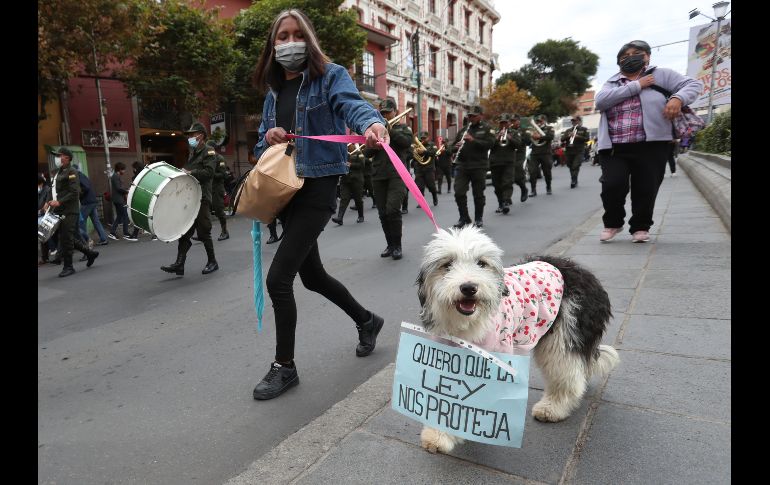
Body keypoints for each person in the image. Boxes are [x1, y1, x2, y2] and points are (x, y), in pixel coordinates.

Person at [250, 9, 389, 400]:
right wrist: (269, 137)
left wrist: (371, 124)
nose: (289, 42)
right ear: (273, 44)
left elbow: (352, 105)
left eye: (297, 35)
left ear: (308, 39)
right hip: (286, 191)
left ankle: (285, 367)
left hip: (318, 188)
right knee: (312, 277)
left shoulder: (330, 76)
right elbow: (260, 145)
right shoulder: (273, 92)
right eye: (282, 36)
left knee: (278, 279)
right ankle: (367, 320)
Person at [595, 39, 702, 243]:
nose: (630, 58)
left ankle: (640, 227)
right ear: (618, 62)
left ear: (648, 56)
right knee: (612, 185)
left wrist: (677, 98)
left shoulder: (662, 75)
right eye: (624, 56)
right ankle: (613, 223)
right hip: (614, 146)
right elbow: (601, 101)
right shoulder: (612, 82)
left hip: (652, 144)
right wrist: (637, 85)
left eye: (637, 53)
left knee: (646, 187)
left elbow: (694, 84)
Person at [160, 122, 219, 275]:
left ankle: (212, 261)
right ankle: (179, 264)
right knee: (185, 232)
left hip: (202, 197)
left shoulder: (209, 151)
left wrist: (190, 173)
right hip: (191, 197)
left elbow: (209, 173)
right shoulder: (193, 152)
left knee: (204, 231)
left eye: (193, 134)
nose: (191, 137)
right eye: (190, 135)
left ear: (201, 135)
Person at [364, 97, 412, 260]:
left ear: (395, 112)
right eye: (382, 113)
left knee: (393, 210)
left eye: (387, 113)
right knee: (383, 213)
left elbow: (406, 143)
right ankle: (390, 245)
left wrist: (390, 130)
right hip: (379, 175)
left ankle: (397, 246)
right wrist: (373, 140)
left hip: (397, 174)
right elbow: (367, 153)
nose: (385, 115)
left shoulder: (403, 128)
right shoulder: (376, 130)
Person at [47, 148, 99, 277]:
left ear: (67, 157)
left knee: (66, 237)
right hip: (59, 210)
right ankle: (90, 253)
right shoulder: (59, 172)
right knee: (67, 237)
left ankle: (69, 267)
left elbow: (74, 192)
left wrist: (59, 202)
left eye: (59, 155)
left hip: (69, 210)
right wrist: (48, 202)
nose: (57, 158)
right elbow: (53, 190)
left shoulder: (72, 171)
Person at [451, 105, 495, 228]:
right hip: (462, 165)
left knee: (478, 194)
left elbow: (490, 144)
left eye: (474, 116)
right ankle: (464, 217)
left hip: (479, 165)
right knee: (459, 192)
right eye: (469, 116)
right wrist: (455, 147)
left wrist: (473, 140)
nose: (471, 118)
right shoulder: (463, 130)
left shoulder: (487, 129)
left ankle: (478, 218)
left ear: (480, 116)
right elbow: (452, 147)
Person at [489, 113, 520, 214]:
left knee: (507, 182)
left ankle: (506, 201)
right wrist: (496, 138)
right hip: (495, 162)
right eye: (501, 123)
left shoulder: (514, 132)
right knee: (497, 185)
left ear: (509, 123)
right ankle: (500, 203)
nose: (503, 125)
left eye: (505, 123)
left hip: (508, 161)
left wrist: (510, 138)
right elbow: (488, 145)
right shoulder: (493, 133)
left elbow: (519, 145)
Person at [74, 164, 109, 246]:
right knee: (96, 221)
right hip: (91, 201)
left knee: (81, 221)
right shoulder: (82, 175)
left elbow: (86, 187)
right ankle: (103, 239)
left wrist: (79, 193)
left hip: (87, 202)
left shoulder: (79, 176)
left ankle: (85, 240)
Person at [332, 143, 366, 225]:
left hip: (356, 179)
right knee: (344, 198)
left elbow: (362, 165)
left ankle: (361, 216)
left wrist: (351, 165)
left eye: (348, 145)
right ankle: (340, 218)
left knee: (358, 199)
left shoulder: (358, 153)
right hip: (345, 180)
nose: (347, 146)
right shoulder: (343, 154)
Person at [108, 163, 139, 241]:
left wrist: (127, 189)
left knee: (119, 216)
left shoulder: (116, 176)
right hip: (119, 200)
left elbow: (119, 187)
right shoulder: (115, 176)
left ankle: (112, 232)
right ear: (120, 169)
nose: (124, 171)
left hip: (118, 199)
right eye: (123, 169)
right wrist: (127, 191)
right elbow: (118, 188)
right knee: (125, 215)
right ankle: (125, 233)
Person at [527, 114, 554, 196]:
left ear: (544, 121)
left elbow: (550, 137)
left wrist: (539, 137)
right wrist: (531, 136)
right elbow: (529, 141)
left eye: (540, 121)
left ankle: (548, 187)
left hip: (545, 153)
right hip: (535, 153)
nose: (538, 122)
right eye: (537, 121)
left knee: (547, 172)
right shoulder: (533, 129)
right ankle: (533, 190)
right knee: (532, 172)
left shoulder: (549, 128)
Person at [208, 140, 230, 240]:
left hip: (217, 188)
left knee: (219, 211)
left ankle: (225, 232)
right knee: (204, 212)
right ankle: (203, 233)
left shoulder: (219, 158)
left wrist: (210, 174)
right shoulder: (207, 159)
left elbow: (223, 175)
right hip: (207, 188)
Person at [560, 116, 590, 188]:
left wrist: (577, 136)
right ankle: (574, 179)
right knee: (570, 166)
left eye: (575, 121)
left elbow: (587, 139)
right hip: (569, 150)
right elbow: (562, 139)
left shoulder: (584, 129)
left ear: (579, 121)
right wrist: (568, 136)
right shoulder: (568, 130)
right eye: (573, 121)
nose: (573, 122)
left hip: (579, 150)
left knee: (575, 165)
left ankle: (573, 180)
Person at [411, 131, 439, 208]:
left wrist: (425, 151)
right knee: (419, 187)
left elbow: (434, 153)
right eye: (422, 138)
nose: (423, 139)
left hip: (429, 169)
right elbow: (414, 156)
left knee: (431, 186)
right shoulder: (417, 145)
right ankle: (421, 202)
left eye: (424, 138)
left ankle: (434, 196)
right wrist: (415, 152)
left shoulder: (432, 144)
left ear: (428, 138)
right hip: (419, 169)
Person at [509, 114, 530, 203]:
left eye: (514, 121)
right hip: (509, 153)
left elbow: (528, 142)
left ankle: (523, 189)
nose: (513, 122)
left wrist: (521, 137)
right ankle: (507, 197)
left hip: (519, 153)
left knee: (517, 174)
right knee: (507, 176)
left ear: (518, 121)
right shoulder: (508, 130)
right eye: (512, 121)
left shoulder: (524, 130)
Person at [38, 174, 54, 265]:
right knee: (43, 237)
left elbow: (46, 206)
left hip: (46, 216)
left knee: (45, 236)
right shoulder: (40, 191)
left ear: (40, 183)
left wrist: (40, 211)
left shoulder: (47, 190)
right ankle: (45, 257)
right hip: (40, 216)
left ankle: (53, 253)